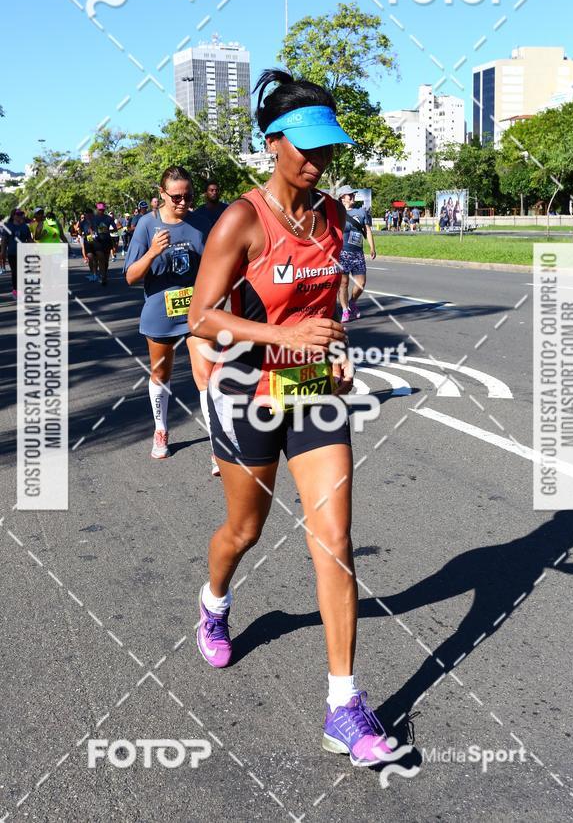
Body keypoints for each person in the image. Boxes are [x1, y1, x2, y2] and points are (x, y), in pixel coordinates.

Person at [187, 68, 393, 768]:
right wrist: (284, 336)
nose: (318, 158)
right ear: (271, 142)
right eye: (305, 145)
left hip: (311, 390)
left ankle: (344, 705)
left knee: (333, 539)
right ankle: (215, 602)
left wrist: (333, 346)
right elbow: (202, 317)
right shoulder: (241, 220)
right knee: (244, 531)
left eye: (327, 145)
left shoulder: (333, 215)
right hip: (246, 390)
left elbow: (326, 303)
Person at [124, 166, 216, 470]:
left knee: (206, 376)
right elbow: (131, 276)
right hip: (160, 312)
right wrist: (152, 252)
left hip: (196, 311)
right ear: (162, 193)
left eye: (188, 196)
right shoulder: (146, 225)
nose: (183, 202)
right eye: (176, 197)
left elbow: (215, 265)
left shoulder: (199, 222)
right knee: (161, 374)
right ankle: (161, 430)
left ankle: (217, 444)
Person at [337, 186, 376, 323]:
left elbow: (368, 230)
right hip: (342, 253)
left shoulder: (361, 211)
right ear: (342, 198)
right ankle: (345, 310)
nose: (353, 197)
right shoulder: (337, 213)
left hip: (358, 253)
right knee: (343, 283)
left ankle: (352, 302)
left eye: (353, 194)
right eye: (350, 195)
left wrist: (372, 247)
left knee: (361, 282)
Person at [1, 208, 33, 297]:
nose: (20, 216)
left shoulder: (25, 227)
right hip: (12, 253)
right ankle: (16, 289)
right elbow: (4, 240)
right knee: (15, 271)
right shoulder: (8, 226)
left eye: (21, 214)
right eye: (18, 214)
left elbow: (29, 239)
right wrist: (2, 252)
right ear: (13, 216)